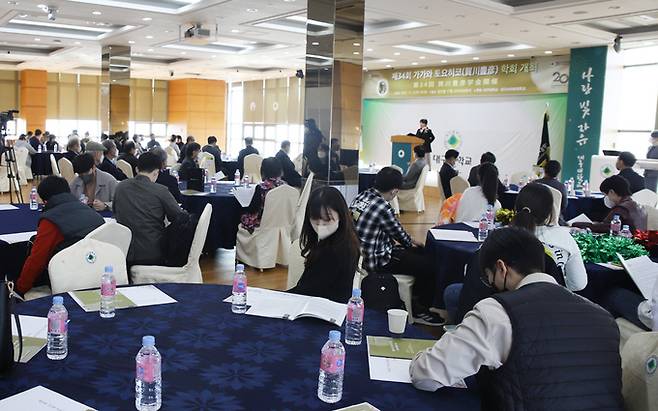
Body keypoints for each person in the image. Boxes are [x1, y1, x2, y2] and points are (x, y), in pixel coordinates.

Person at [410, 227, 623, 410]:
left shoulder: (497, 312)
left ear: (501, 268)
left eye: (488, 276)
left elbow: (427, 375)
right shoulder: (603, 317)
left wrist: (419, 357)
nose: (489, 284)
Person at [350, 167, 443, 325]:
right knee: (428, 265)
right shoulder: (383, 207)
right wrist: (414, 242)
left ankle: (416, 301)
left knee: (416, 255)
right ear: (394, 191)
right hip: (377, 261)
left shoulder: (362, 196)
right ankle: (418, 308)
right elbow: (402, 237)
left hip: (358, 255)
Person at [15, 176, 104, 295]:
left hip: (68, 281)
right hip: (99, 275)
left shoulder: (51, 221)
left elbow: (37, 260)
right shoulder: (93, 213)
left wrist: (19, 289)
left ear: (46, 200)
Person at [288, 186, 360, 303]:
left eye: (327, 220)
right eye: (315, 219)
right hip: (318, 303)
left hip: (323, 309)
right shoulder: (338, 240)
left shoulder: (338, 250)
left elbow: (309, 291)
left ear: (341, 216)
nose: (320, 225)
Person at [113, 152, 187, 266]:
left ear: (137, 169)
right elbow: (179, 217)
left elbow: (116, 212)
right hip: (152, 252)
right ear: (156, 172)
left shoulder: (120, 187)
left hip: (124, 250)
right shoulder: (160, 190)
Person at [512, 183, 587, 291]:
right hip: (554, 303)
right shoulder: (564, 238)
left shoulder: (502, 236)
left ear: (516, 207)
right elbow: (579, 284)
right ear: (550, 212)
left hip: (509, 303)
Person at [573, 175, 647, 232]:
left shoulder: (621, 209)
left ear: (611, 192)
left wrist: (577, 224)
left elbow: (605, 227)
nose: (606, 198)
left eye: (605, 195)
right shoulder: (634, 204)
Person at [240, 157, 286, 233]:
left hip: (263, 224)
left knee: (241, 215)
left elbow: (253, 209)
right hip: (281, 223)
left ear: (263, 171)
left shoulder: (261, 188)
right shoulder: (286, 186)